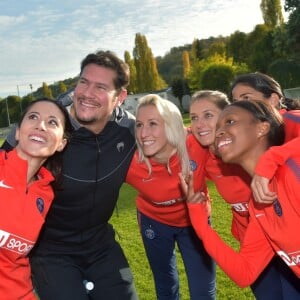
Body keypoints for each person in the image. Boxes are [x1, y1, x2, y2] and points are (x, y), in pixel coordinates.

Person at [1, 51, 138, 299]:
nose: (86, 93)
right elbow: (6, 166)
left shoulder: (129, 129)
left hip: (100, 244)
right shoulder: (48, 126)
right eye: (83, 82)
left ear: (120, 97)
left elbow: (166, 139)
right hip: (51, 250)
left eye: (101, 87)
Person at [181, 99, 300, 299]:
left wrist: (272, 157)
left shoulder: (292, 171)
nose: (219, 131)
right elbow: (244, 273)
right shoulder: (259, 206)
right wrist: (201, 224)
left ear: (262, 128)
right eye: (218, 127)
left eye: (230, 122)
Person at [126, 94, 216, 300]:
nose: (143, 133)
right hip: (154, 223)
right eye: (139, 125)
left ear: (172, 125)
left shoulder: (198, 145)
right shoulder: (130, 163)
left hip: (195, 222)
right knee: (166, 286)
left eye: (152, 124)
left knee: (203, 292)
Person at [0, 98, 72, 299]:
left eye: (52, 122)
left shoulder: (45, 194)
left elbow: (16, 259)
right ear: (17, 131)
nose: (41, 125)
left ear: (61, 144)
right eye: (33, 117)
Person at [230, 72, 300, 142]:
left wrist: (273, 153)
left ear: (273, 100)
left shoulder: (292, 118)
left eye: (246, 97)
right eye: (235, 102)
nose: (238, 106)